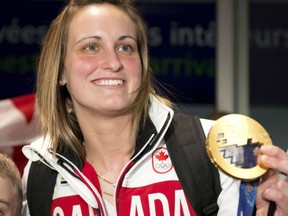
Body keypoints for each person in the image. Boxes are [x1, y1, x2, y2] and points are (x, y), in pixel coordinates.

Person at [21, 0, 288, 215]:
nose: (113, 62)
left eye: (125, 47)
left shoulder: (213, 148)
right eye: (91, 47)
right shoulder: (40, 172)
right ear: (60, 71)